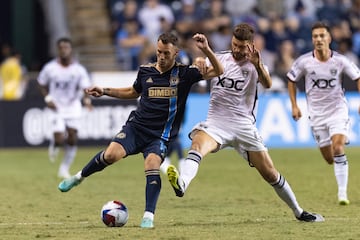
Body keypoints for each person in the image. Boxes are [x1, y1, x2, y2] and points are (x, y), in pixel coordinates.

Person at [58, 32, 224, 228]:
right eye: (159, 52)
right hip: (136, 127)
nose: (161, 57)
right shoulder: (146, 71)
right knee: (111, 155)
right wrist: (104, 91)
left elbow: (219, 70)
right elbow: (132, 91)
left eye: (166, 54)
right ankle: (78, 177)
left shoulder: (185, 74)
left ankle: (148, 216)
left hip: (159, 136)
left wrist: (205, 50)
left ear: (176, 53)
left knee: (152, 165)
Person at [167, 23, 324, 222]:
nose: (237, 50)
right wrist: (200, 58)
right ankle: (182, 183)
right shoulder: (220, 58)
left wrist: (258, 64)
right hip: (216, 123)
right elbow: (201, 69)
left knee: (271, 174)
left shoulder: (256, 64)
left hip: (244, 127)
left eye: (242, 47)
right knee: (197, 146)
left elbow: (267, 83)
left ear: (250, 45)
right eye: (235, 45)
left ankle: (299, 211)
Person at [287, 21, 360, 205]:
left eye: (322, 36)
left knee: (338, 148)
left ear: (329, 38)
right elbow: (291, 80)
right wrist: (294, 106)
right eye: (315, 36)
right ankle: (340, 139)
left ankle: (342, 194)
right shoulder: (304, 61)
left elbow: (358, 77)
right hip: (317, 115)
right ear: (312, 40)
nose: (319, 39)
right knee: (329, 159)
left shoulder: (340, 60)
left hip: (338, 110)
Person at [37, 37, 92, 179]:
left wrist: (86, 100)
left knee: (73, 138)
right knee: (60, 138)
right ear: (58, 50)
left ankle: (64, 169)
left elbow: (86, 88)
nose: (64, 50)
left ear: (71, 49)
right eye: (61, 48)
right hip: (56, 107)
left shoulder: (79, 70)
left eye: (66, 47)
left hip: (73, 106)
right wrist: (48, 98)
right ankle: (55, 144)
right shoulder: (50, 68)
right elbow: (41, 83)